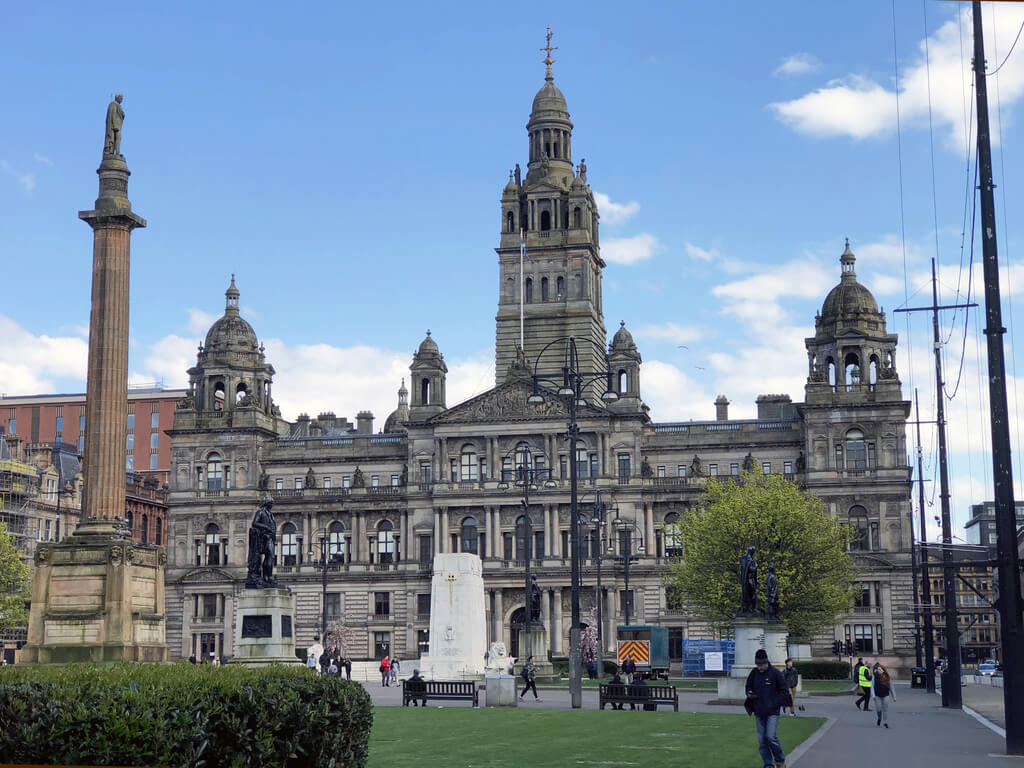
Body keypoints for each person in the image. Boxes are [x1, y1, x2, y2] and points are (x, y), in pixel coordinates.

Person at [745, 648, 788, 768]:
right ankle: (768, 764)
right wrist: (749, 692)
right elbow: (748, 685)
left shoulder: (775, 673)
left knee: (770, 736)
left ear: (766, 662)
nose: (758, 667)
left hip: (772, 711)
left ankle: (780, 759)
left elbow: (784, 691)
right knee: (762, 741)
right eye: (757, 665)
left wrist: (774, 703)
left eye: (760, 665)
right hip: (759, 711)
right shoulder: (754, 673)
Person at [871, 661, 894, 728]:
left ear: (883, 670)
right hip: (877, 695)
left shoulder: (887, 677)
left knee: (885, 709)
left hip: (886, 695)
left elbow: (891, 687)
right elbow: (872, 686)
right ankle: (879, 718)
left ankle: (885, 722)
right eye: (878, 669)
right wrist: (873, 695)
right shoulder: (874, 677)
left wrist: (894, 696)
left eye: (880, 669)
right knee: (878, 709)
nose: (878, 670)